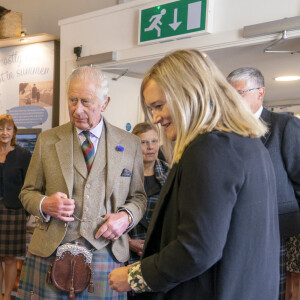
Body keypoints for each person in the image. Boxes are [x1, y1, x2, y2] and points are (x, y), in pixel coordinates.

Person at [108, 49, 280, 299]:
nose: (156, 118)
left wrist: (136, 276)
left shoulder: (209, 148)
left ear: (187, 95)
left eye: (158, 106)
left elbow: (198, 249)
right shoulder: (247, 144)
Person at [17, 66, 147, 299]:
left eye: (86, 102)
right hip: (51, 249)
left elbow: (138, 197)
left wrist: (125, 217)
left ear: (105, 103)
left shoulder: (130, 144)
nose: (77, 110)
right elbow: (27, 192)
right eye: (72, 100)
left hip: (106, 251)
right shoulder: (47, 140)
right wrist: (45, 204)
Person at [227, 66, 300, 300]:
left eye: (239, 93)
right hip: (235, 230)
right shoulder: (225, 131)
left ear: (260, 92)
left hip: (277, 230)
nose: (232, 100)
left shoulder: (285, 126)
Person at [0, 114, 31, 300]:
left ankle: (6, 297)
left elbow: (29, 186)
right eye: (1, 128)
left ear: (14, 132)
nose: (4, 132)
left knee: (10, 259)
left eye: (8, 129)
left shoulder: (23, 155)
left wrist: (26, 210)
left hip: (14, 212)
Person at [129, 122, 169, 260]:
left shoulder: (169, 173)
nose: (150, 147)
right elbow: (109, 209)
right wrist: (127, 242)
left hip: (160, 252)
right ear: (134, 145)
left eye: (154, 141)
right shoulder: (123, 173)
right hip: (126, 252)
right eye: (144, 142)